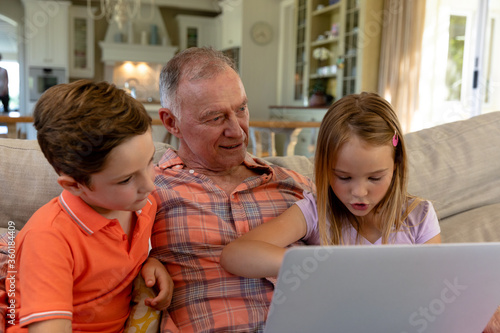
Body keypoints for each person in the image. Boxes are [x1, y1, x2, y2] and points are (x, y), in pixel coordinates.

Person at [151, 47, 315, 332]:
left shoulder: (296, 185)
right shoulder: (147, 189)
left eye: (241, 109)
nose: (237, 131)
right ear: (171, 122)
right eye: (215, 118)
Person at [6, 80, 172, 333]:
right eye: (126, 179)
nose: (150, 185)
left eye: (149, 162)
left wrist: (150, 261)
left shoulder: (143, 203)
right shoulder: (48, 239)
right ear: (73, 185)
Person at [220, 92, 441, 279]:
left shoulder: (419, 217)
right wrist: (324, 267)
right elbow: (236, 255)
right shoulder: (316, 212)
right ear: (325, 168)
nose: (359, 193)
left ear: (397, 165)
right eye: (344, 178)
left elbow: (434, 286)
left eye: (375, 178)